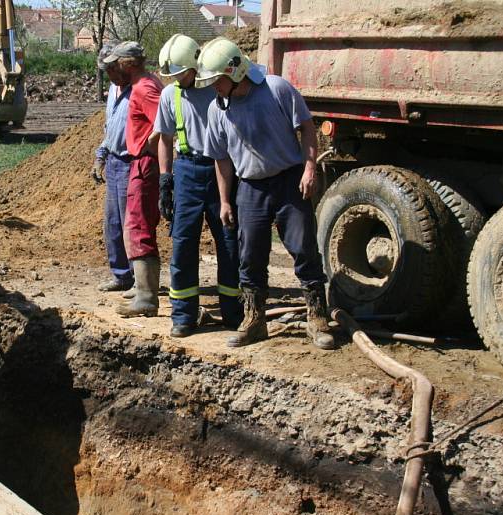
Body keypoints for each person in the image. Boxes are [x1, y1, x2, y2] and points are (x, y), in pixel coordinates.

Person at [198, 37, 335, 350]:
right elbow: (221, 158)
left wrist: (309, 168)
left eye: (216, 81)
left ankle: (317, 317)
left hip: (289, 180)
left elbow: (307, 128)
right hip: (250, 187)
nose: (213, 88)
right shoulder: (217, 109)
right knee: (250, 255)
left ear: (233, 73)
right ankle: (254, 319)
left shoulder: (276, 89)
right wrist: (224, 201)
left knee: (303, 248)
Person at [154, 34, 242, 338]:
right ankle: (183, 316)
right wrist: (166, 179)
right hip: (187, 170)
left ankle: (234, 312)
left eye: (181, 72)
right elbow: (165, 138)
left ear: (195, 65)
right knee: (183, 244)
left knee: (229, 242)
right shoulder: (170, 95)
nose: (176, 78)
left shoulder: (218, 90)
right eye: (173, 75)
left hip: (222, 169)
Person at [101, 42, 163, 318]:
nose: (114, 69)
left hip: (142, 163)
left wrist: (148, 146)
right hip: (138, 161)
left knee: (138, 225)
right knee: (130, 224)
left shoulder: (145, 88)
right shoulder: (140, 86)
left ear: (130, 63)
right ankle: (141, 291)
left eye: (118, 64)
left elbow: (165, 124)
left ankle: (147, 296)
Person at [92, 43, 134, 293]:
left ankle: (138, 280)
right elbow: (111, 128)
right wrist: (101, 154)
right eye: (106, 72)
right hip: (115, 162)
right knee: (113, 222)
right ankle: (120, 275)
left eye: (112, 70)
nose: (110, 76)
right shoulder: (114, 90)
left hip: (132, 162)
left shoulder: (139, 91)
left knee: (131, 223)